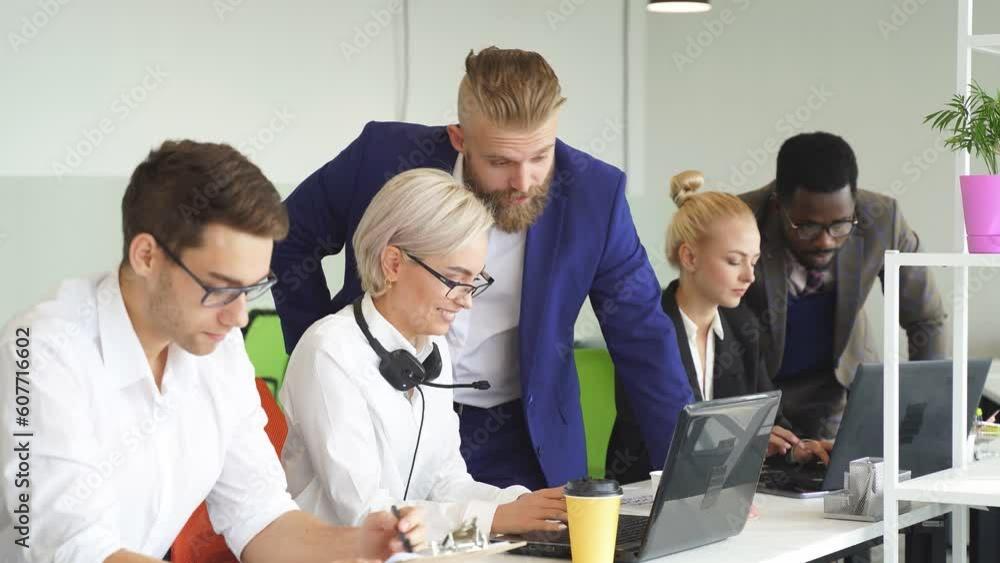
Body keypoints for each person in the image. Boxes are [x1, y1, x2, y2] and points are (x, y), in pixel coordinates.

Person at [271, 47, 693, 490]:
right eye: (500, 162)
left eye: (540, 156)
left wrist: (689, 477)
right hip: (387, 408)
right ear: (459, 138)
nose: (524, 182)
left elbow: (644, 338)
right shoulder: (381, 157)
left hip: (524, 435)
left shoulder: (595, 195)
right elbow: (286, 237)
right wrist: (330, 354)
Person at [0, 141, 424, 563]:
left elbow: (259, 514)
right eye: (221, 288)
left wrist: (361, 543)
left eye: (251, 288)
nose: (239, 317)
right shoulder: (41, 349)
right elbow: (71, 546)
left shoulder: (217, 348)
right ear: (146, 255)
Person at [280, 168, 568, 539]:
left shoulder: (432, 351)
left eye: (474, 281)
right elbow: (366, 514)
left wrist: (522, 507)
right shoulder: (329, 352)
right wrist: (492, 521)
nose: (466, 302)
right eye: (454, 280)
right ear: (394, 263)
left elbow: (445, 483)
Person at [738, 132, 947, 439]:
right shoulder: (740, 220)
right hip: (759, 397)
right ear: (778, 205)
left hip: (842, 393)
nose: (826, 240)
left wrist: (925, 415)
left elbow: (925, 318)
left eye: (840, 225)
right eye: (807, 226)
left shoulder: (882, 220)